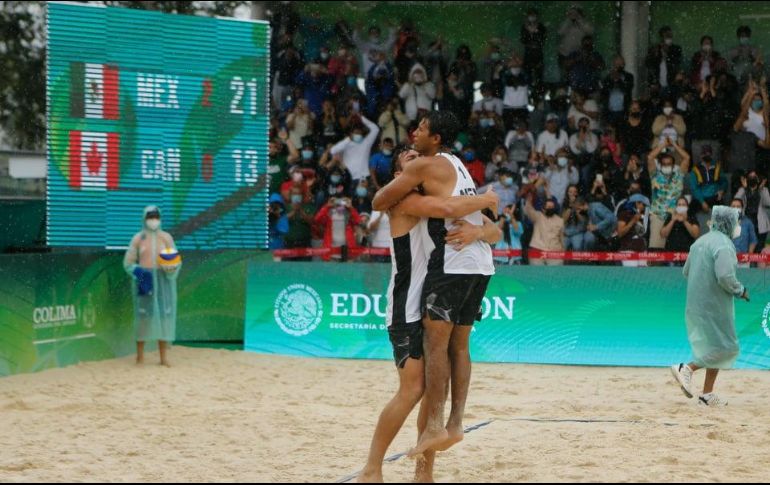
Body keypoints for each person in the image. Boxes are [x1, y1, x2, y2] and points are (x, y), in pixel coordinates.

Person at [359, 147, 500, 483]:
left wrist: (479, 231)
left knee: (436, 384)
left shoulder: (435, 194)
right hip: (404, 305)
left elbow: (494, 231)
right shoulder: (404, 202)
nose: (423, 164)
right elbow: (450, 208)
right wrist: (486, 199)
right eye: (412, 161)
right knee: (412, 389)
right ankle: (371, 468)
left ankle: (424, 473)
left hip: (429, 298)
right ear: (400, 176)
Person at [671, 206, 750, 407]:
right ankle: (686, 368)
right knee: (727, 347)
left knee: (715, 346)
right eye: (736, 222)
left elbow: (686, 271)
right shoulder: (724, 245)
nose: (738, 226)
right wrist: (740, 290)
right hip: (714, 305)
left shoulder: (699, 242)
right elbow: (725, 276)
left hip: (695, 303)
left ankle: (707, 395)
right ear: (728, 223)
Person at [123, 206, 180, 367]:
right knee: (143, 318)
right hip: (145, 280)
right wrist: (140, 273)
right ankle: (140, 357)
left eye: (155, 217)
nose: (153, 220)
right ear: (144, 219)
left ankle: (163, 358)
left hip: (163, 281)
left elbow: (175, 260)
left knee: (164, 317)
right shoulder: (138, 238)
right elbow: (128, 263)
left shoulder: (166, 238)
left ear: (160, 219)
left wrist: (171, 270)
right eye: (150, 217)